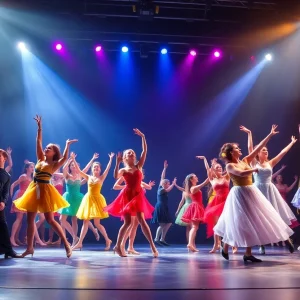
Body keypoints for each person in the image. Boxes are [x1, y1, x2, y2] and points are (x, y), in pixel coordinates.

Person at [214, 125, 294, 262]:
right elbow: (240, 173)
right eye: (237, 148)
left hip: (251, 191)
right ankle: (225, 245)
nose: (240, 149)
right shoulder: (229, 166)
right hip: (239, 194)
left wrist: (270, 134)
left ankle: (248, 253)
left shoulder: (245, 160)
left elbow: (257, 147)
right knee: (239, 222)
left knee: (253, 220)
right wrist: (253, 171)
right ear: (232, 153)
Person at [14, 115, 77, 258]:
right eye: (46, 147)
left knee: (50, 219)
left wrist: (67, 145)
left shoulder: (54, 164)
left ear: (54, 152)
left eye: (49, 148)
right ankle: (29, 248)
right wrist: (39, 128)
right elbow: (38, 141)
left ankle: (67, 244)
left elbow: (65, 158)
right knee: (30, 220)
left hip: (45, 190)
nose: (46, 149)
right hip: (33, 189)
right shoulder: (40, 159)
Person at [240, 126, 299, 253]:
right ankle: (261, 244)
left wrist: (291, 143)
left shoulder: (270, 163)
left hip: (270, 190)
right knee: (259, 218)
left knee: (275, 215)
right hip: (258, 191)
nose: (266, 151)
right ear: (258, 152)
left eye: (266, 150)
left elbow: (282, 154)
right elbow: (250, 148)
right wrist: (250, 133)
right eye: (263, 150)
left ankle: (287, 238)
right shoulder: (253, 163)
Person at [105, 129, 158, 257]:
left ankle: (153, 247)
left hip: (138, 195)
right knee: (127, 222)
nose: (132, 154)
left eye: (133, 153)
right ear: (125, 157)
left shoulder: (139, 166)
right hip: (128, 196)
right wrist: (117, 164)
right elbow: (115, 176)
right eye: (129, 153)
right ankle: (118, 246)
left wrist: (143, 137)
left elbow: (144, 151)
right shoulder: (123, 169)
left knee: (141, 221)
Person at [71, 154, 114, 251]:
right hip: (89, 200)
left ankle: (107, 240)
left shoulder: (101, 177)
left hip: (97, 200)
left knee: (97, 224)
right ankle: (80, 243)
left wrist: (111, 159)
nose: (96, 168)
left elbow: (107, 169)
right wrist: (73, 159)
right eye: (95, 167)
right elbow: (79, 171)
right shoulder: (88, 177)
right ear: (92, 169)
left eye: (98, 167)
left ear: (100, 169)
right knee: (85, 221)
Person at [113, 171, 155, 255]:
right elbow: (115, 186)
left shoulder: (140, 182)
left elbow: (148, 188)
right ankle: (121, 245)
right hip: (129, 203)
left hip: (138, 204)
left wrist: (148, 186)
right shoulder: (126, 175)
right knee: (129, 224)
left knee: (135, 225)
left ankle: (130, 247)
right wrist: (127, 185)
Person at [0, 148, 22, 258]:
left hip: (0, 204)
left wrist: (3, 202)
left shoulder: (6, 175)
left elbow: (6, 191)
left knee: (3, 226)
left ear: (4, 159)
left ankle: (8, 251)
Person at [181, 173, 209, 252]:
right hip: (195, 206)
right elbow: (204, 183)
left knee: (195, 227)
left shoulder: (193, 187)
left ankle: (192, 244)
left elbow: (205, 182)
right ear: (191, 179)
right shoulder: (193, 188)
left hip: (197, 206)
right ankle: (190, 244)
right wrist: (210, 172)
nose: (197, 177)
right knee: (194, 227)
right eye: (195, 177)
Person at [152, 161, 177, 246]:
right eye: (168, 183)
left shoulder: (160, 186)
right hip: (160, 207)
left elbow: (162, 177)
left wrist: (165, 168)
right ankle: (156, 239)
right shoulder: (161, 189)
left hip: (164, 207)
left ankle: (162, 238)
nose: (169, 184)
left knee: (169, 222)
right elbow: (168, 189)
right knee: (163, 224)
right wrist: (173, 184)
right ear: (165, 184)